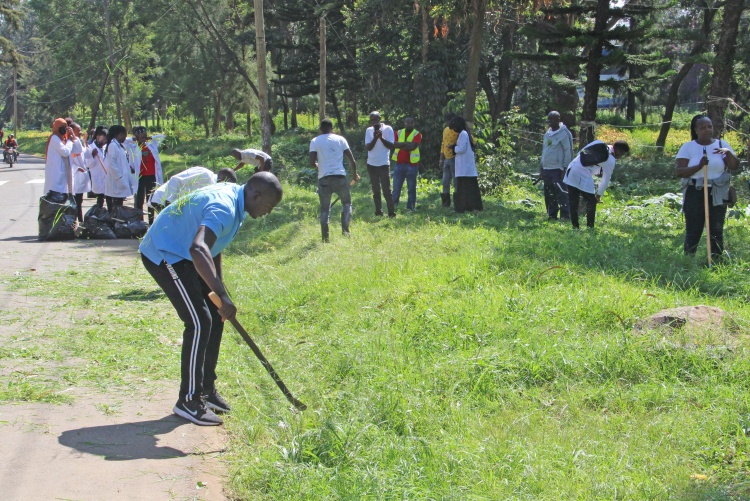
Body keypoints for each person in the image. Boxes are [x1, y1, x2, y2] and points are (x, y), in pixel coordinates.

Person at [139, 172, 283, 426]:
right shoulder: (225, 208)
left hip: (184, 251)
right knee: (198, 322)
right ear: (256, 196)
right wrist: (223, 296)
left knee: (215, 317)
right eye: (269, 207)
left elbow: (212, 248)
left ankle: (206, 390)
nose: (269, 213)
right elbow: (198, 248)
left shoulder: (237, 202)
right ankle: (188, 400)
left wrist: (220, 294)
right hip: (165, 251)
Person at [676, 114, 740, 259]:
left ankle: (716, 261)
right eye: (703, 127)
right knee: (694, 229)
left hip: (717, 192)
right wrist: (699, 166)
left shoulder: (721, 145)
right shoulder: (688, 147)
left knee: (716, 229)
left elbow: (734, 166)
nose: (707, 130)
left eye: (709, 126)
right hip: (695, 191)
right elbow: (679, 171)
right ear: (696, 130)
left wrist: (729, 154)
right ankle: (688, 260)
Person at [309, 118, 360, 242]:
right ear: (332, 128)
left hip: (324, 179)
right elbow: (352, 161)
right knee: (347, 204)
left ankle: (325, 239)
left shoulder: (315, 141)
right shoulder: (340, 139)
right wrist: (354, 176)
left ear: (320, 129)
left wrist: (318, 165)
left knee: (325, 209)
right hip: (340, 178)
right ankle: (345, 232)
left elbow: (311, 163)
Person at [563, 139, 630, 229]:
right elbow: (606, 179)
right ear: (618, 151)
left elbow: (581, 153)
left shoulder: (598, 143)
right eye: (622, 154)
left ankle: (575, 227)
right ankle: (590, 227)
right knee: (591, 201)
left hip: (572, 168)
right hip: (583, 173)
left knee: (573, 201)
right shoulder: (610, 160)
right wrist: (598, 195)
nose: (621, 156)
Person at [149, 167, 238, 210]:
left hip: (175, 206)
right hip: (162, 200)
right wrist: (169, 205)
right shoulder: (206, 175)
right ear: (223, 180)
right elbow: (175, 180)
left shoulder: (212, 188)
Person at [125, 126, 164, 225]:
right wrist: (134, 139)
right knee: (139, 201)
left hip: (152, 176)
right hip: (140, 178)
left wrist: (151, 138)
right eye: (140, 134)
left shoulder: (152, 145)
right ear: (136, 136)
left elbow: (162, 137)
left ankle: (151, 222)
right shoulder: (132, 147)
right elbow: (123, 142)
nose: (142, 136)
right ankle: (139, 222)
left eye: (144, 134)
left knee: (151, 200)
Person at [540, 111, 573, 220]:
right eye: (549, 119)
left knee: (562, 193)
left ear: (558, 120)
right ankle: (552, 215)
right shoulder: (547, 134)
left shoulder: (565, 133)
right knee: (549, 193)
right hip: (547, 169)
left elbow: (568, 151)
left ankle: (565, 216)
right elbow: (544, 151)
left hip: (558, 169)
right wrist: (541, 168)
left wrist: (565, 168)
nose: (550, 122)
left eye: (553, 119)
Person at [364, 111, 396, 217]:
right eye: (371, 120)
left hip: (383, 164)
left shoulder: (388, 129)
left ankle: (391, 212)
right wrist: (375, 138)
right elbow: (369, 147)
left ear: (380, 119)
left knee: (387, 190)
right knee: (376, 189)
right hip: (371, 164)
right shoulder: (369, 130)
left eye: (375, 120)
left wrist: (381, 138)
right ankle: (379, 211)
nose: (373, 122)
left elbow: (391, 146)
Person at [449, 116, 483, 213]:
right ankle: (469, 207)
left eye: (455, 128)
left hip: (465, 167)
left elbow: (462, 149)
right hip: (465, 167)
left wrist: (453, 147)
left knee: (463, 189)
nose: (454, 131)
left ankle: (462, 208)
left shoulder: (463, 134)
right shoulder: (464, 133)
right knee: (469, 189)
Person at [391, 117, 422, 211]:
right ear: (404, 123)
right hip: (399, 164)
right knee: (396, 188)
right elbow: (393, 144)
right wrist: (406, 144)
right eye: (407, 123)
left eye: (411, 122)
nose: (409, 124)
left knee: (411, 188)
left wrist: (400, 144)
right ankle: (393, 207)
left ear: (414, 123)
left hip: (412, 165)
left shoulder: (417, 134)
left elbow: (412, 147)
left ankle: (411, 207)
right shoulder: (398, 132)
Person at [43, 118, 77, 200]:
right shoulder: (55, 138)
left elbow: (78, 149)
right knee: (56, 202)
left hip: (64, 175)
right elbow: (65, 152)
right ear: (56, 127)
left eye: (65, 126)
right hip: (56, 177)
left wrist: (73, 136)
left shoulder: (64, 139)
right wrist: (70, 141)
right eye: (61, 126)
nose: (64, 128)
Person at [104, 125, 135, 212]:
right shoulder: (113, 146)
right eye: (123, 135)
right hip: (116, 181)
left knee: (119, 207)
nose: (125, 137)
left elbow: (122, 162)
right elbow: (112, 164)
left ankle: (116, 224)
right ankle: (113, 224)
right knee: (114, 208)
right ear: (117, 135)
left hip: (119, 181)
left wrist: (129, 169)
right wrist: (120, 177)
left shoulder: (119, 146)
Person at [70, 123, 91, 223]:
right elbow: (67, 160)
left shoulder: (78, 142)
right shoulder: (69, 143)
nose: (80, 132)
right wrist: (76, 168)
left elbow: (85, 154)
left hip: (81, 177)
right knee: (75, 201)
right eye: (78, 130)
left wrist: (85, 141)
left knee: (79, 201)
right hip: (75, 176)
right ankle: (76, 221)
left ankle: (80, 220)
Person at [85, 126, 108, 208]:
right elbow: (88, 165)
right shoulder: (90, 148)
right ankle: (99, 215)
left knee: (109, 199)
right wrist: (93, 156)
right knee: (100, 200)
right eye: (103, 139)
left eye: (106, 140)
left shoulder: (106, 147)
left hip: (107, 176)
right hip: (97, 177)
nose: (104, 142)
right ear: (97, 137)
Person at [439, 112, 458, 207]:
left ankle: (457, 203)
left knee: (456, 181)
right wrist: (441, 159)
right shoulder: (445, 130)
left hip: (455, 159)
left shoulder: (459, 131)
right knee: (445, 181)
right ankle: (445, 204)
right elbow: (443, 144)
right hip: (446, 158)